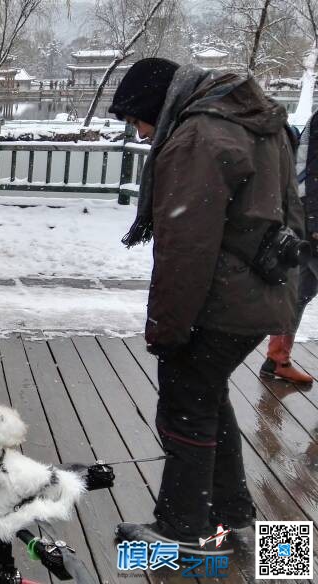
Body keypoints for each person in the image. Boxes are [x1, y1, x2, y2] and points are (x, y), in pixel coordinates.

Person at [108, 58, 302, 553]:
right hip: (263, 290)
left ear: (157, 105)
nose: (142, 132)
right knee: (209, 399)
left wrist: (166, 330)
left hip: (220, 300)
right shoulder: (261, 122)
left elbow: (185, 249)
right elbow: (292, 212)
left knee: (185, 407)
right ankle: (237, 521)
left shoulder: (199, 136)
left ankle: (181, 530)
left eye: (136, 119)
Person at [259, 109, 318, 385]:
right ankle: (277, 359)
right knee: (298, 292)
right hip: (313, 218)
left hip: (309, 216)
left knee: (299, 292)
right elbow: (314, 171)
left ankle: (277, 360)